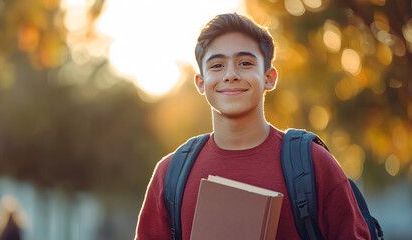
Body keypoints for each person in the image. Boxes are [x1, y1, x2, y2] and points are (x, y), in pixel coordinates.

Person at [134, 13, 370, 240]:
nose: (230, 74)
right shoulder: (171, 174)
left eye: (245, 63)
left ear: (269, 77)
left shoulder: (313, 163)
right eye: (216, 65)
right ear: (201, 82)